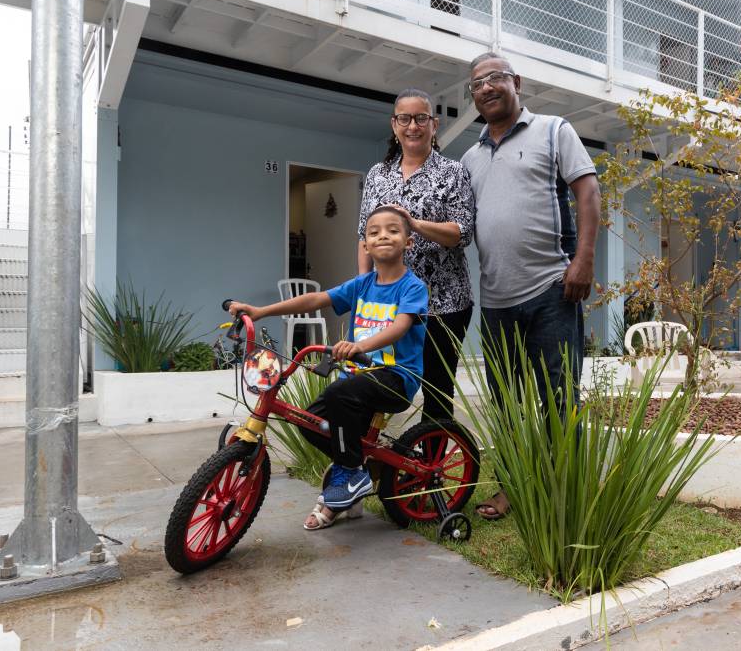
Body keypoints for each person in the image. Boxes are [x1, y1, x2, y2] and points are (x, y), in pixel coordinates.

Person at [460, 52, 602, 520]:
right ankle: (514, 486)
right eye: (477, 83)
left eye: (496, 78)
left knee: (559, 398)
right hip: (497, 301)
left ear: (516, 82)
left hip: (552, 291)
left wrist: (582, 260)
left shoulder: (553, 130)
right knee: (506, 404)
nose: (486, 88)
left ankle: (568, 490)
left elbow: (588, 192)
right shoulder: (470, 157)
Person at [228, 206, 428, 530]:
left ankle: (349, 474)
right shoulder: (362, 285)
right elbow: (315, 300)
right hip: (358, 379)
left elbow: (401, 326)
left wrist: (361, 346)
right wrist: (262, 310)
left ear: (409, 242)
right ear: (365, 244)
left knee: (338, 394)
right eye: (374, 232)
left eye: (392, 230)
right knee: (310, 422)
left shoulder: (412, 287)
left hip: (396, 378)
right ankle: (354, 470)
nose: (383, 236)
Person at [358, 87, 476, 427]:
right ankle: (372, 464)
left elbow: (462, 232)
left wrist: (414, 224)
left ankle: (432, 468)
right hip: (387, 304)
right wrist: (364, 289)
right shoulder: (378, 175)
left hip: (444, 304)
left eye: (421, 118)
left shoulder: (452, 171)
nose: (413, 126)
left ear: (434, 125)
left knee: (437, 390)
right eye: (405, 118)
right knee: (379, 383)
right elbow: (362, 235)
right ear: (394, 125)